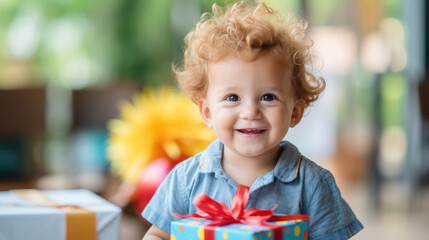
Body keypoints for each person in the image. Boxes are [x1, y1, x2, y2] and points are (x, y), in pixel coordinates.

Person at [142, 1, 363, 239]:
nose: (250, 112)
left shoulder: (313, 184)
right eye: (232, 97)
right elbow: (158, 234)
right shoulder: (185, 179)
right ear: (207, 113)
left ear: (295, 112)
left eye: (268, 97)